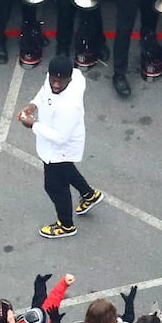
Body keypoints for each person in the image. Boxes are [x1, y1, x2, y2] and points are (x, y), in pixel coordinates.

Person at [19, 56, 102, 240]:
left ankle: (66, 225)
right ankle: (89, 194)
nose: (55, 84)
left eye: (60, 81)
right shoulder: (70, 76)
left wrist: (32, 125)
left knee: (55, 187)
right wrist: (33, 105)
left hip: (60, 149)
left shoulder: (69, 105)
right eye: (53, 80)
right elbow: (43, 92)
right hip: (58, 148)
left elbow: (60, 138)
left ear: (69, 79)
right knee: (66, 170)